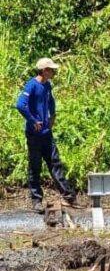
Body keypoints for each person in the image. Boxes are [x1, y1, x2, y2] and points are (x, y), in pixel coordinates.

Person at [15, 58, 77, 213]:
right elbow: (20, 104)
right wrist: (33, 120)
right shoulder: (32, 85)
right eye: (51, 70)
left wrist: (52, 116)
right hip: (34, 134)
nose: (54, 72)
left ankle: (69, 195)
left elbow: (51, 101)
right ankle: (36, 200)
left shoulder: (47, 85)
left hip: (46, 133)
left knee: (55, 162)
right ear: (44, 71)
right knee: (35, 166)